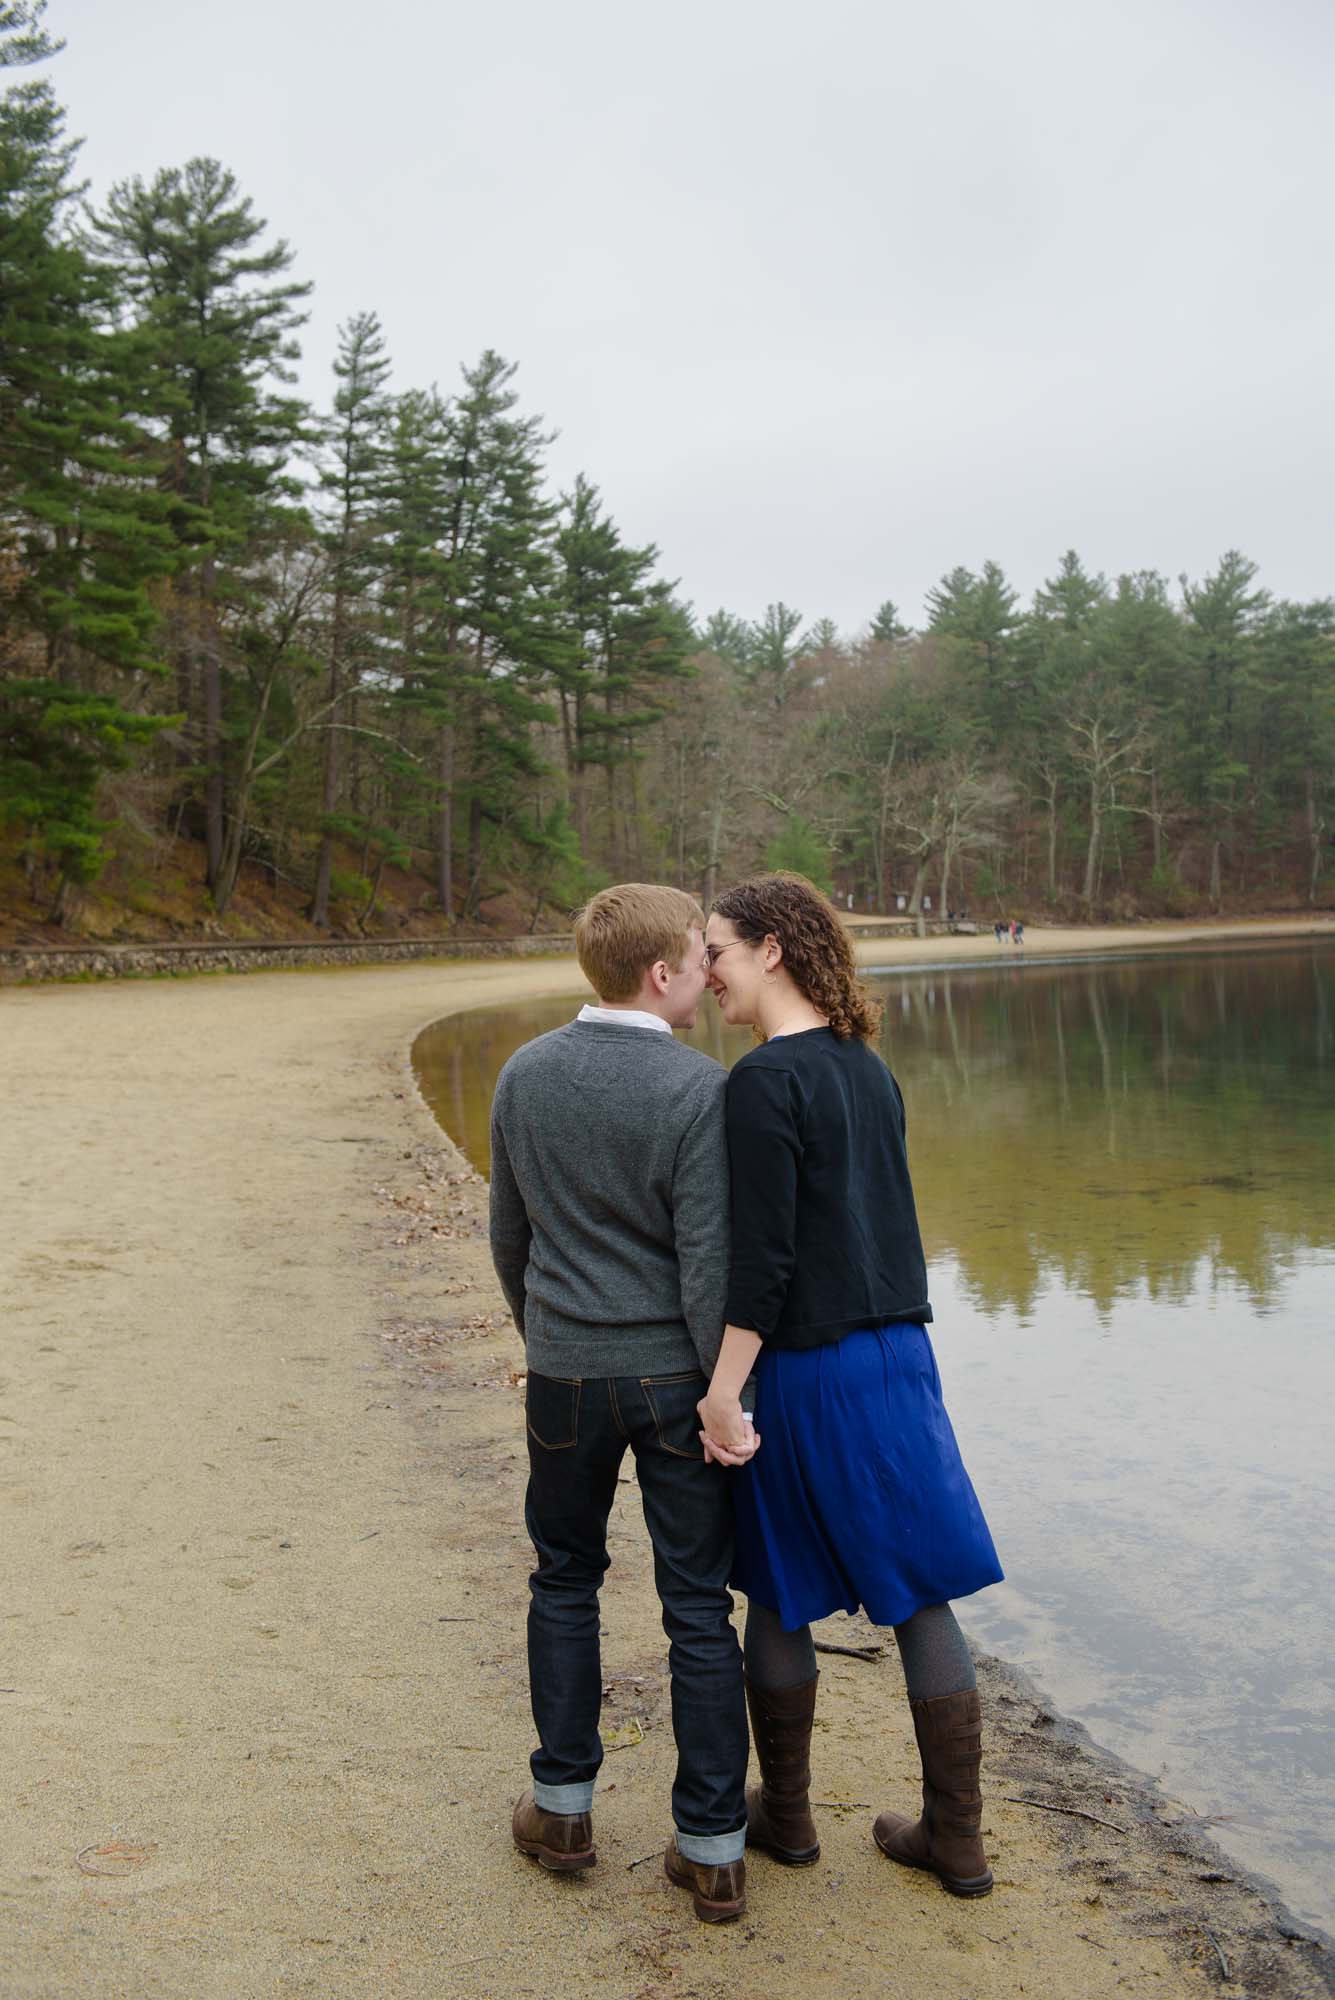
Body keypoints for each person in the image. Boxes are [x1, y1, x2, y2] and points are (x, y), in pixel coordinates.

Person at [697, 872, 1003, 1897]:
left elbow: (765, 1263)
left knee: (778, 1586)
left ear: (772, 949)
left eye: (721, 952)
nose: (709, 974)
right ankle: (956, 1838)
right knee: (918, 1593)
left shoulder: (760, 1081)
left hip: (806, 1366)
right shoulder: (868, 1067)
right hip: (901, 1357)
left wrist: (722, 1391)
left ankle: (786, 1820)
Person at [489, 883, 750, 1924]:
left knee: (564, 1579)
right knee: (696, 1604)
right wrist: (716, 1392)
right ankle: (713, 1846)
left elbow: (510, 1237)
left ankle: (561, 1808)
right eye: (699, 956)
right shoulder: (699, 1089)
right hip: (671, 1376)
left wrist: (547, 1334)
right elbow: (706, 1265)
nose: (708, 972)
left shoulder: (523, 1072)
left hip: (563, 1369)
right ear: (660, 973)